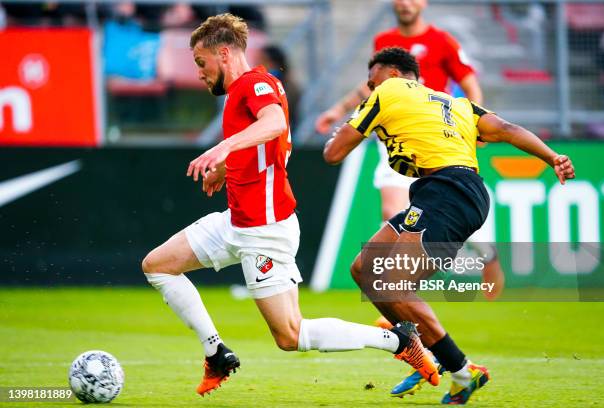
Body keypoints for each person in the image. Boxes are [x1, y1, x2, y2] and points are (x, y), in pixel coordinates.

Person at [141, 14, 439, 397]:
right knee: (158, 265)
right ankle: (215, 353)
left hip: (264, 231)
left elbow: (276, 123)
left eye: (202, 63)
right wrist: (228, 168)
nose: (199, 73)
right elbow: (266, 149)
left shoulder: (256, 84)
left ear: (225, 53)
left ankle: (399, 343)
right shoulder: (248, 90)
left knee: (291, 335)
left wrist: (221, 147)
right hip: (238, 220)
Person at [323, 47, 575, 404]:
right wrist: (552, 157)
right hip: (448, 193)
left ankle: (459, 368)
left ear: (393, 75)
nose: (368, 87)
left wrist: (344, 129)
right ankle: (422, 351)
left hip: (448, 193)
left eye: (372, 79)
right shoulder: (454, 103)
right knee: (365, 269)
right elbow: (506, 128)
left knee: (390, 280)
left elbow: (333, 154)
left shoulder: (387, 92)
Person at [316, 0, 503, 300]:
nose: (405, 3)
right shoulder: (384, 42)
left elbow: (469, 84)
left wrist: (476, 124)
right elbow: (371, 88)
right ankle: (394, 293)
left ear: (423, 3)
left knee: (454, 221)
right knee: (392, 210)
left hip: (434, 142)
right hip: (394, 140)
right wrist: (338, 110)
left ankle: (486, 254)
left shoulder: (442, 41)